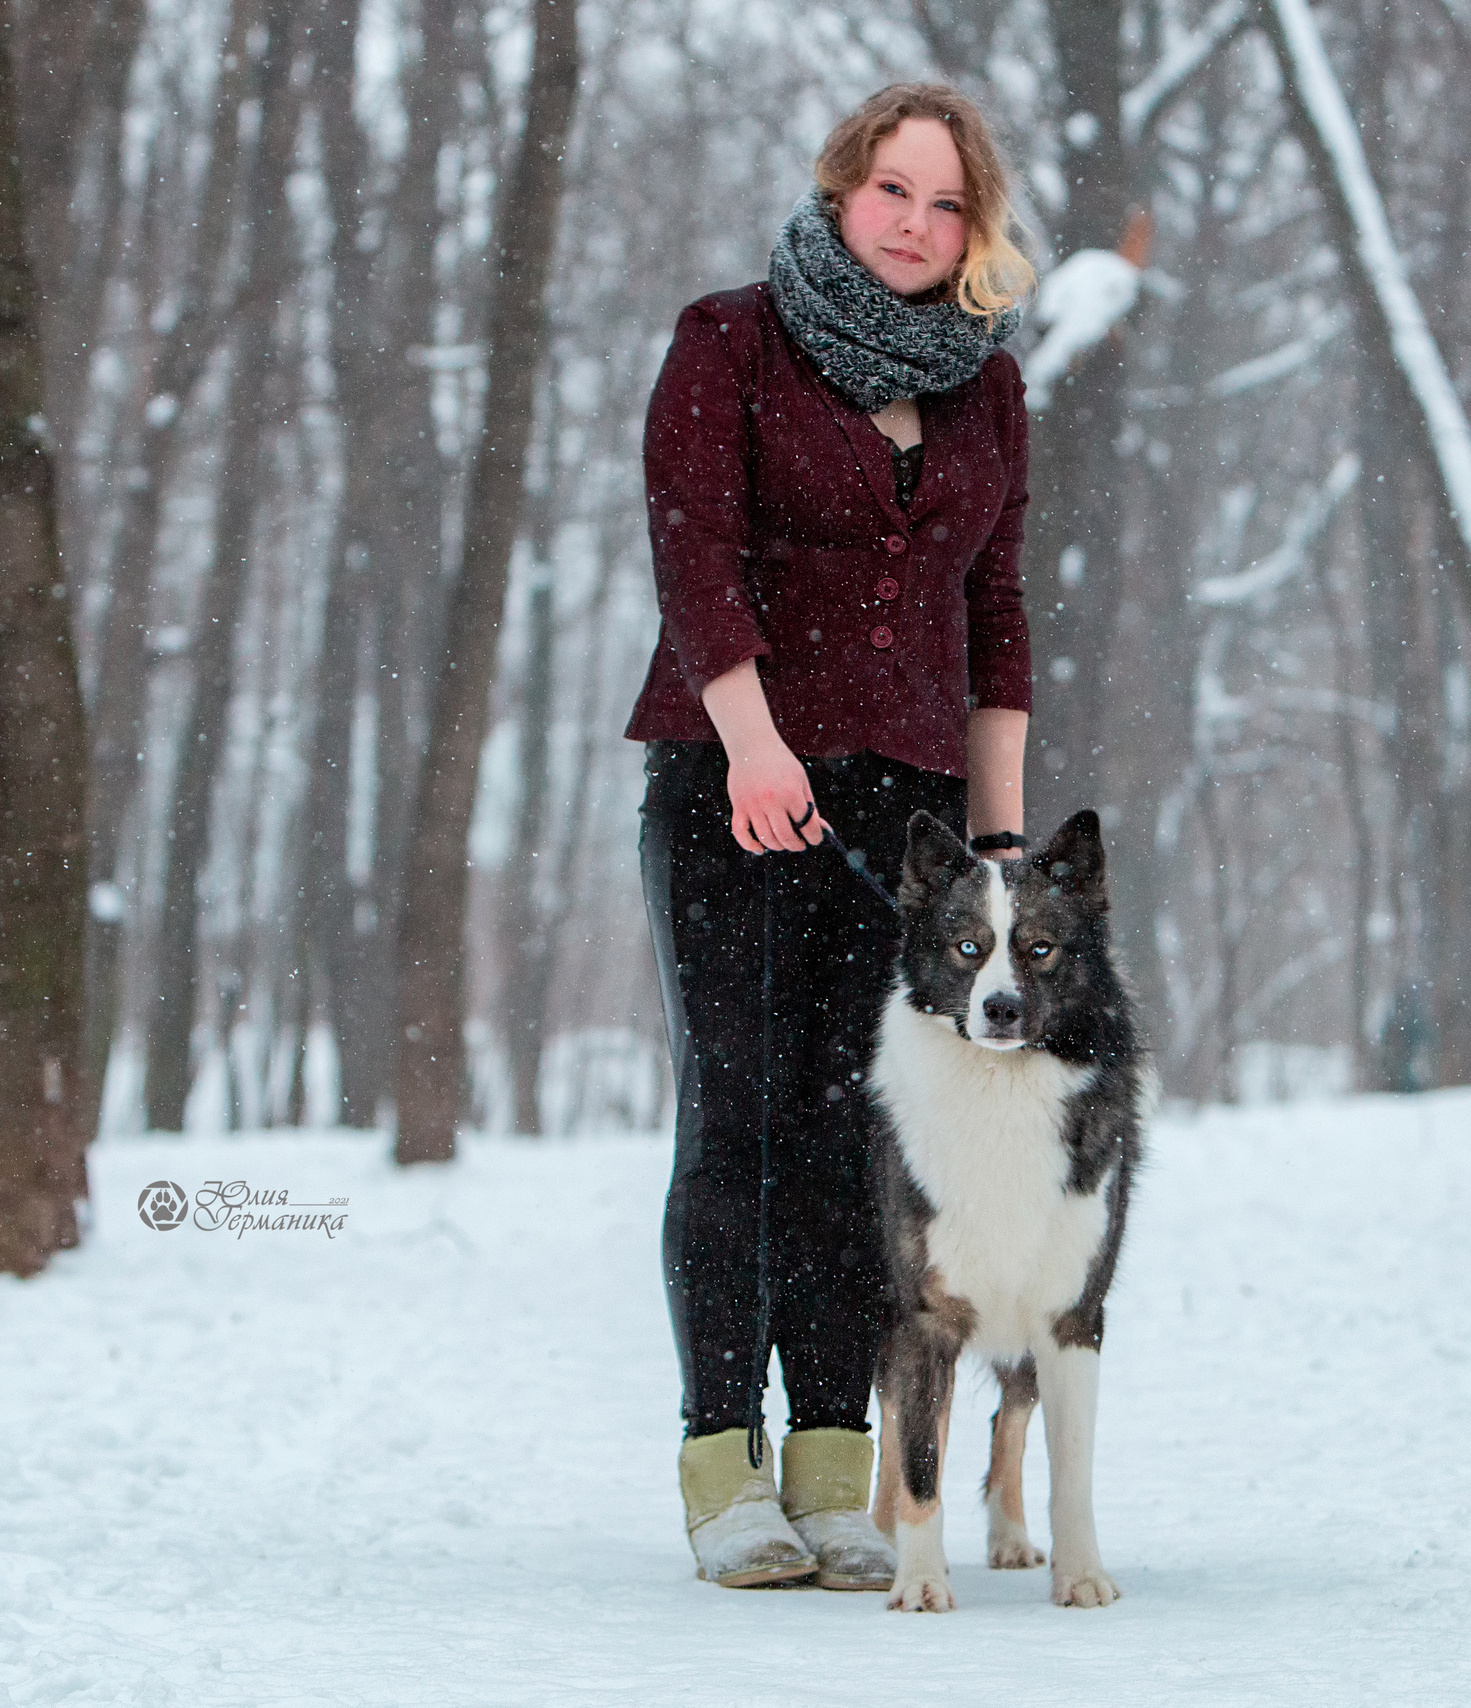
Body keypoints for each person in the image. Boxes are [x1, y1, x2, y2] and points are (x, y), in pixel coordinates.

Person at [625, 84, 1038, 1590]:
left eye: (947, 203)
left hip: (906, 818)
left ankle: (831, 1467)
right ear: (842, 188)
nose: (915, 223)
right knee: (738, 1118)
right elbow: (697, 555)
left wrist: (997, 845)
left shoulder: (987, 389)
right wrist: (752, 743)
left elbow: (995, 616)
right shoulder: (729, 342)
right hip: (734, 777)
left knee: (857, 1134)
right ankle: (723, 1467)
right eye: (893, 190)